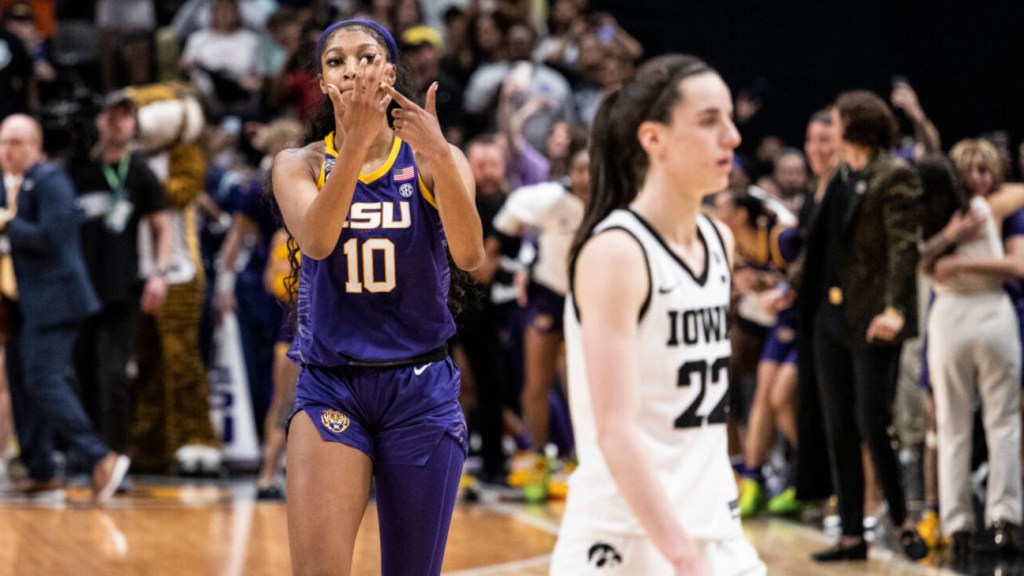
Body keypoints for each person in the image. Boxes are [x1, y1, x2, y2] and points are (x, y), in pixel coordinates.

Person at [271, 19, 484, 576]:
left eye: (365, 57)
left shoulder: (437, 155)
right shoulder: (299, 165)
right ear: (322, 81)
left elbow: (469, 256)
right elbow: (317, 240)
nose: (351, 69)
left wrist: (439, 157)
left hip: (420, 387)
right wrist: (356, 145)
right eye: (335, 61)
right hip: (332, 383)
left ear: (389, 72)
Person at [550, 54, 764, 576]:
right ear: (654, 138)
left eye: (730, 118)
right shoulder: (617, 252)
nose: (732, 137)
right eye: (709, 121)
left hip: (713, 524)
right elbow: (615, 431)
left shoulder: (719, 241)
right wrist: (683, 558)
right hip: (625, 535)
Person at [792, 91, 928, 562]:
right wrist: (786, 287)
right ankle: (851, 534)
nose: (829, 130)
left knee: (872, 419)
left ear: (854, 126)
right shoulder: (843, 176)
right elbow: (824, 248)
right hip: (831, 318)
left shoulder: (895, 175)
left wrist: (895, 309)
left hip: (874, 319)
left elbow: (904, 247)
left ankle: (902, 519)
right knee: (838, 425)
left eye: (835, 121)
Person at [0, 114, 130, 502]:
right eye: (4, 142)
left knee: (42, 380)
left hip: (58, 302)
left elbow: (53, 237)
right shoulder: (6, 186)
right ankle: (41, 468)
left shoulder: (51, 181)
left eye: (18, 142)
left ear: (37, 147)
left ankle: (101, 457)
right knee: (22, 382)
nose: (9, 150)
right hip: (21, 306)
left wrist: (7, 224)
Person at [69, 92, 171, 458]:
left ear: (134, 124)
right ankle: (86, 455)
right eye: (111, 115)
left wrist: (159, 274)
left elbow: (163, 227)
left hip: (122, 290)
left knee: (113, 375)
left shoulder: (141, 172)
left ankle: (113, 456)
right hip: (79, 290)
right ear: (99, 121)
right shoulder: (77, 169)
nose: (117, 122)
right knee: (81, 374)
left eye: (125, 116)